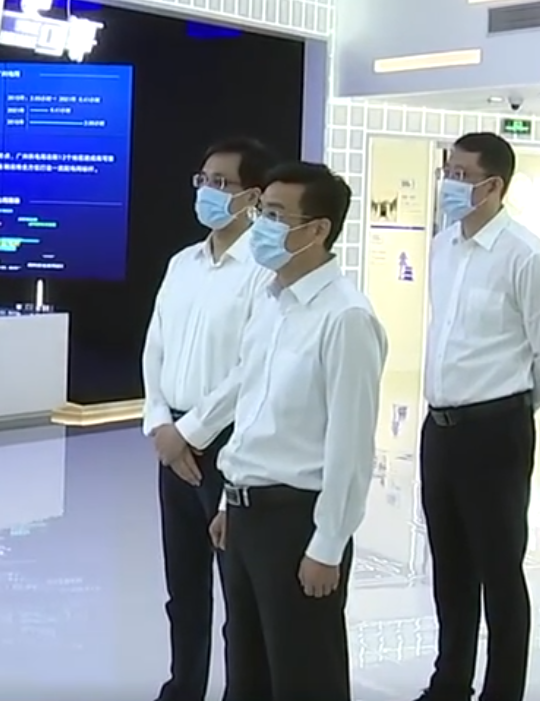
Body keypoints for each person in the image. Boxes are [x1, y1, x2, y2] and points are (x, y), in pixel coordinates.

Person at [186, 160, 388, 699]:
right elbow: (252, 408)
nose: (262, 226)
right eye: (262, 212)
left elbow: (350, 445)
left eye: (276, 215)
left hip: (297, 521)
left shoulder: (346, 318)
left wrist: (329, 544)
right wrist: (228, 502)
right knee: (247, 672)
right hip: (246, 516)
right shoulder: (270, 301)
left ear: (317, 230)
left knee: (304, 676)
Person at [416, 132, 540, 702]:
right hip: (440, 428)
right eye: (447, 171)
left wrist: (508, 411)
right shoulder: (443, 246)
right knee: (449, 565)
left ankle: (503, 689)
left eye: (461, 174)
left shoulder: (525, 256)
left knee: (500, 569)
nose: (449, 183)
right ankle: (450, 680)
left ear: (493, 185)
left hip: (495, 431)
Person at [144, 137, 278, 701]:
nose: (208, 191)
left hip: (227, 443)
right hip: (171, 440)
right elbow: (155, 346)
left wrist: (190, 433)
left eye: (222, 183)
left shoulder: (264, 271)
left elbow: (252, 367)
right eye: (203, 180)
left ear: (253, 196)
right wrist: (160, 422)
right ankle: (183, 687)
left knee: (237, 591)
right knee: (184, 586)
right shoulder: (183, 264)